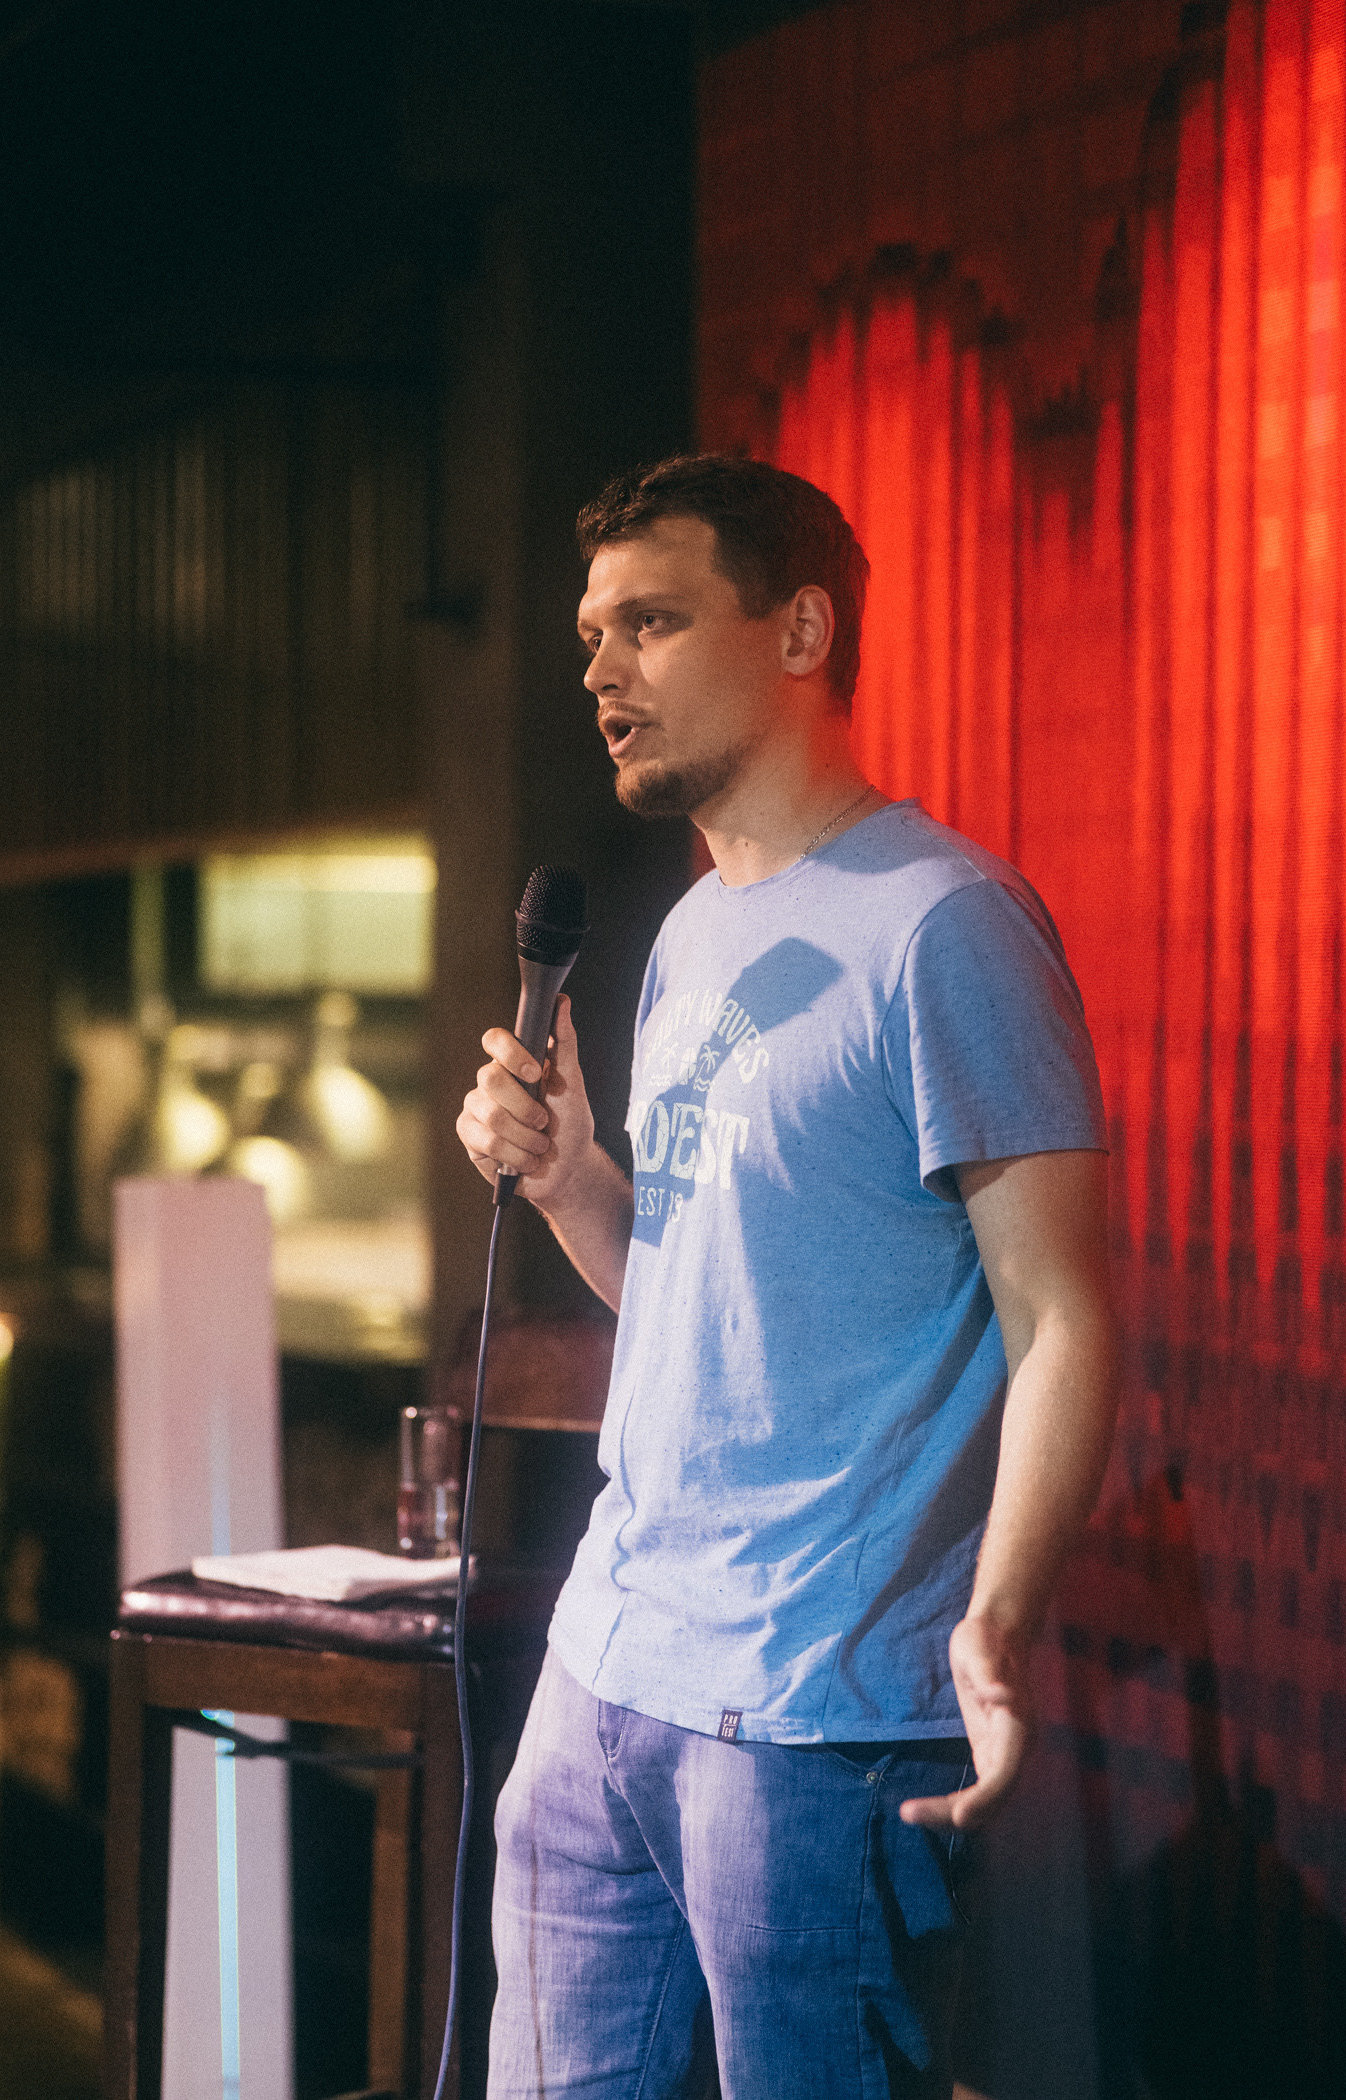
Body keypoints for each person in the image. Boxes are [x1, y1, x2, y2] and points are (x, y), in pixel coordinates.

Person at [456, 456, 1119, 2099]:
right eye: (594, 636)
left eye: (653, 623)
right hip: (607, 1669)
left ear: (803, 630)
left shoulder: (946, 924)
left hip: (813, 1716)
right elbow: (694, 1304)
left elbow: (1062, 1317)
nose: (602, 672)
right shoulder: (692, 934)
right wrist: (571, 1180)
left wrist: (998, 1618)